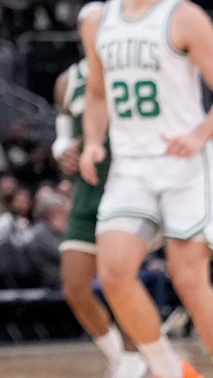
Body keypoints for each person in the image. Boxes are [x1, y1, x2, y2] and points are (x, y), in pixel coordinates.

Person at [80, 0, 213, 378]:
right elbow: (97, 94)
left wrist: (198, 135)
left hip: (183, 165)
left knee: (190, 281)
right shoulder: (99, 21)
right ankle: (167, 370)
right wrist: (93, 142)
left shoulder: (185, 16)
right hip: (130, 166)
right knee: (113, 273)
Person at [55, 57, 147, 377]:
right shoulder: (69, 80)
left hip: (129, 189)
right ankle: (119, 356)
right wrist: (62, 152)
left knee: (119, 280)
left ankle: (136, 356)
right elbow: (63, 137)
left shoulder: (135, 67)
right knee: (74, 286)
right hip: (87, 193)